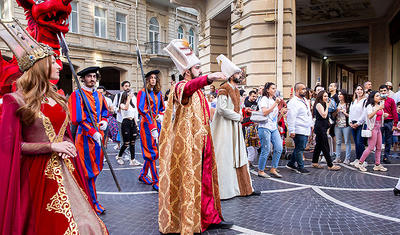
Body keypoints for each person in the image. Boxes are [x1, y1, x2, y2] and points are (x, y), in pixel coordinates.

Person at [0, 21, 108, 234]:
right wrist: (51, 146)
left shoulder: (58, 98)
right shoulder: (14, 100)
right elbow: (10, 147)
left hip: (67, 169)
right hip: (36, 177)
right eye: (54, 62)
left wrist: (67, 143)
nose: (60, 66)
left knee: (87, 223)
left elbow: (65, 132)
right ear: (41, 66)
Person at [159, 39, 232, 234]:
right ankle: (189, 220)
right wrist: (208, 78)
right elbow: (188, 89)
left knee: (206, 181)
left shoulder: (200, 92)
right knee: (190, 182)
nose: (200, 70)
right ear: (187, 71)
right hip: (188, 145)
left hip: (204, 142)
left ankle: (210, 217)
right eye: (197, 68)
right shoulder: (180, 87)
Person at [211, 54, 260, 200]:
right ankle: (225, 191)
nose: (240, 75)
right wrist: (237, 117)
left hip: (234, 127)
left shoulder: (236, 89)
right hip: (225, 128)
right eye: (238, 73)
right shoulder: (223, 88)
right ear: (231, 75)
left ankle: (244, 188)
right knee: (225, 157)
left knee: (239, 156)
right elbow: (221, 109)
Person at [68, 66, 109, 214]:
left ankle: (85, 197)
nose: (92, 79)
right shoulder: (77, 95)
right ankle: (92, 202)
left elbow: (105, 111)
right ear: (83, 78)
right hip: (84, 138)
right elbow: (77, 119)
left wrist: (104, 121)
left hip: (99, 137)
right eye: (89, 76)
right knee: (88, 172)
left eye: (94, 76)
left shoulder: (99, 95)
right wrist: (92, 131)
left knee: (96, 168)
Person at [137, 70, 165, 191]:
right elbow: (142, 110)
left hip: (156, 123)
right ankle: (155, 180)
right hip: (147, 125)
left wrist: (159, 115)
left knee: (154, 151)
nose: (153, 80)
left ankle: (143, 175)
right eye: (151, 78)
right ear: (147, 80)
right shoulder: (142, 92)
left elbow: (162, 108)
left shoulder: (158, 93)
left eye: (155, 78)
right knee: (152, 152)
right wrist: (151, 124)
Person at [355, 91, 387, 172]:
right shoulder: (369, 106)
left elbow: (379, 116)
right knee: (371, 147)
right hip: (372, 128)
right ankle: (360, 163)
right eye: (377, 96)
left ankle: (377, 164)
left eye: (379, 96)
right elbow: (369, 116)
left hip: (378, 127)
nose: (379, 97)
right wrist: (377, 109)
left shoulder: (379, 105)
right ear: (373, 97)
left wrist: (384, 115)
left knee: (379, 147)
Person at [256, 82, 284, 178]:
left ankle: (273, 168)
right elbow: (264, 113)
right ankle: (261, 170)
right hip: (264, 127)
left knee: (279, 147)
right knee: (266, 149)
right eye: (272, 88)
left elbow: (274, 117)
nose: (274, 90)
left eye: (275, 88)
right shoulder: (264, 99)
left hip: (273, 127)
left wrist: (281, 113)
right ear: (267, 90)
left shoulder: (273, 100)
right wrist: (275, 104)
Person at [286, 83, 314, 174]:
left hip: (305, 128)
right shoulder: (293, 102)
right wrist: (292, 130)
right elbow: (291, 117)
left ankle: (290, 163)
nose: (305, 91)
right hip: (298, 128)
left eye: (305, 89)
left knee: (299, 147)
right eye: (302, 89)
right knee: (300, 148)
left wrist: (311, 124)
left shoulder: (305, 100)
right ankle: (301, 167)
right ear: (297, 90)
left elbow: (308, 113)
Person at [311, 91, 341, 171]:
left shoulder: (323, 104)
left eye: (327, 96)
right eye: (324, 96)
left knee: (319, 146)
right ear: (320, 96)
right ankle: (330, 165)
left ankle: (314, 162)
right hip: (320, 128)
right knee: (325, 146)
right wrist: (327, 106)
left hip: (323, 127)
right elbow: (324, 115)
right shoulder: (318, 104)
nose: (326, 98)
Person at [115, 90, 141, 166]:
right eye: (129, 94)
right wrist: (128, 98)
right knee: (126, 143)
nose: (131, 95)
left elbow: (134, 115)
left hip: (132, 122)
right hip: (125, 122)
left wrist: (136, 126)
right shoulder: (122, 104)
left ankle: (132, 160)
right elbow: (125, 108)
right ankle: (119, 156)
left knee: (132, 143)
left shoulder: (132, 105)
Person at [379, 84, 398, 164]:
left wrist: (395, 124)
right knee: (378, 141)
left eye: (384, 91)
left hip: (389, 122)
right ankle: (378, 158)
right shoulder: (377, 100)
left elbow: (394, 112)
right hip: (379, 122)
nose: (383, 92)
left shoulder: (391, 100)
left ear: (387, 91)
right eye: (381, 91)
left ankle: (386, 157)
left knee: (388, 140)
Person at [349, 85, 367, 166]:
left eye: (361, 89)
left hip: (360, 124)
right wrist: (350, 122)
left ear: (363, 91)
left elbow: (364, 114)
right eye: (358, 89)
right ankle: (357, 158)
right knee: (356, 142)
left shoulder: (365, 101)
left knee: (360, 142)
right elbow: (350, 112)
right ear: (355, 91)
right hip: (353, 123)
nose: (359, 91)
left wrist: (358, 123)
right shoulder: (354, 101)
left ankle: (362, 160)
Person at [332, 89, 352, 164]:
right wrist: (336, 111)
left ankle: (347, 158)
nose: (339, 96)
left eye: (341, 94)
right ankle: (337, 158)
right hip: (337, 125)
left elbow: (351, 116)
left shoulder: (348, 104)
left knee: (347, 141)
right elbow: (333, 115)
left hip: (346, 125)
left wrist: (345, 112)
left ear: (344, 95)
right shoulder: (336, 104)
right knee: (338, 142)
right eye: (339, 94)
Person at [112, 80, 132, 150]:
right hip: (121, 119)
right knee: (123, 137)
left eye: (129, 86)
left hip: (130, 119)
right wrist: (118, 109)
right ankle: (123, 153)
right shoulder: (118, 96)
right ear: (122, 87)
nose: (128, 87)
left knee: (130, 137)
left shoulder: (131, 96)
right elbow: (114, 106)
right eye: (126, 86)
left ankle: (129, 153)